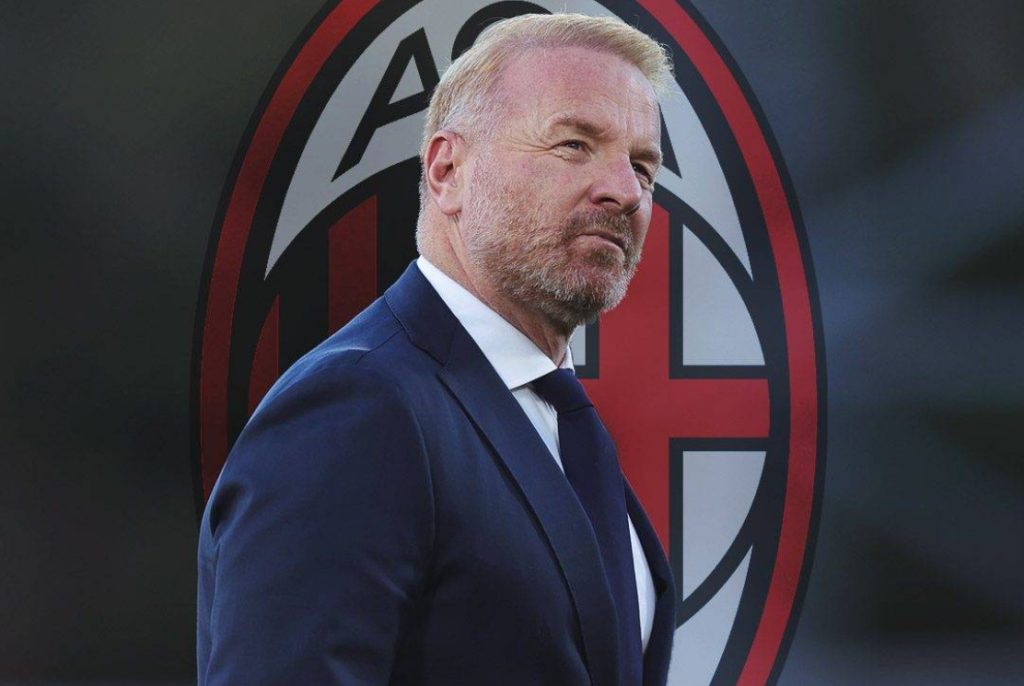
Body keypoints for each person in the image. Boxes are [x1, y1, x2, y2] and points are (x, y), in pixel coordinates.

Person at [197, 13, 676, 686]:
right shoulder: (357, 408)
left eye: (643, 168)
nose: (624, 192)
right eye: (574, 144)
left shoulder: (559, 427)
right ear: (447, 170)